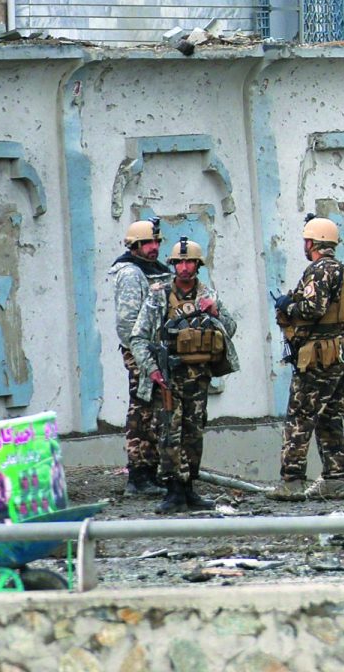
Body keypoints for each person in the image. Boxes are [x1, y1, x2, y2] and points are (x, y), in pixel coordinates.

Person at [132, 238, 237, 514]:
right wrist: (152, 370)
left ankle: (189, 488)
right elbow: (139, 338)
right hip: (169, 377)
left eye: (189, 262)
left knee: (194, 433)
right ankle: (173, 490)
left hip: (198, 378)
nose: (184, 267)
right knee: (169, 434)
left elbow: (231, 327)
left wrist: (214, 312)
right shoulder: (159, 295)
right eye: (179, 262)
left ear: (198, 265)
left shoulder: (207, 294)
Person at [270, 216, 344, 500]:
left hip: (318, 356)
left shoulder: (319, 271)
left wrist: (288, 305)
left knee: (299, 417)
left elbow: (312, 308)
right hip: (341, 353)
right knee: (330, 417)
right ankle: (335, 480)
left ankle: (292, 482)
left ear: (312, 243)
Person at [108, 218, 171, 497]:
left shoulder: (155, 271)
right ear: (135, 246)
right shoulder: (132, 274)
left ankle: (152, 470)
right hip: (141, 351)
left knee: (157, 411)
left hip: (158, 350)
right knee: (142, 410)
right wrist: (142, 356)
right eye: (148, 243)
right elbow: (127, 323)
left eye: (156, 242)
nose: (154, 247)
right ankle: (139, 474)